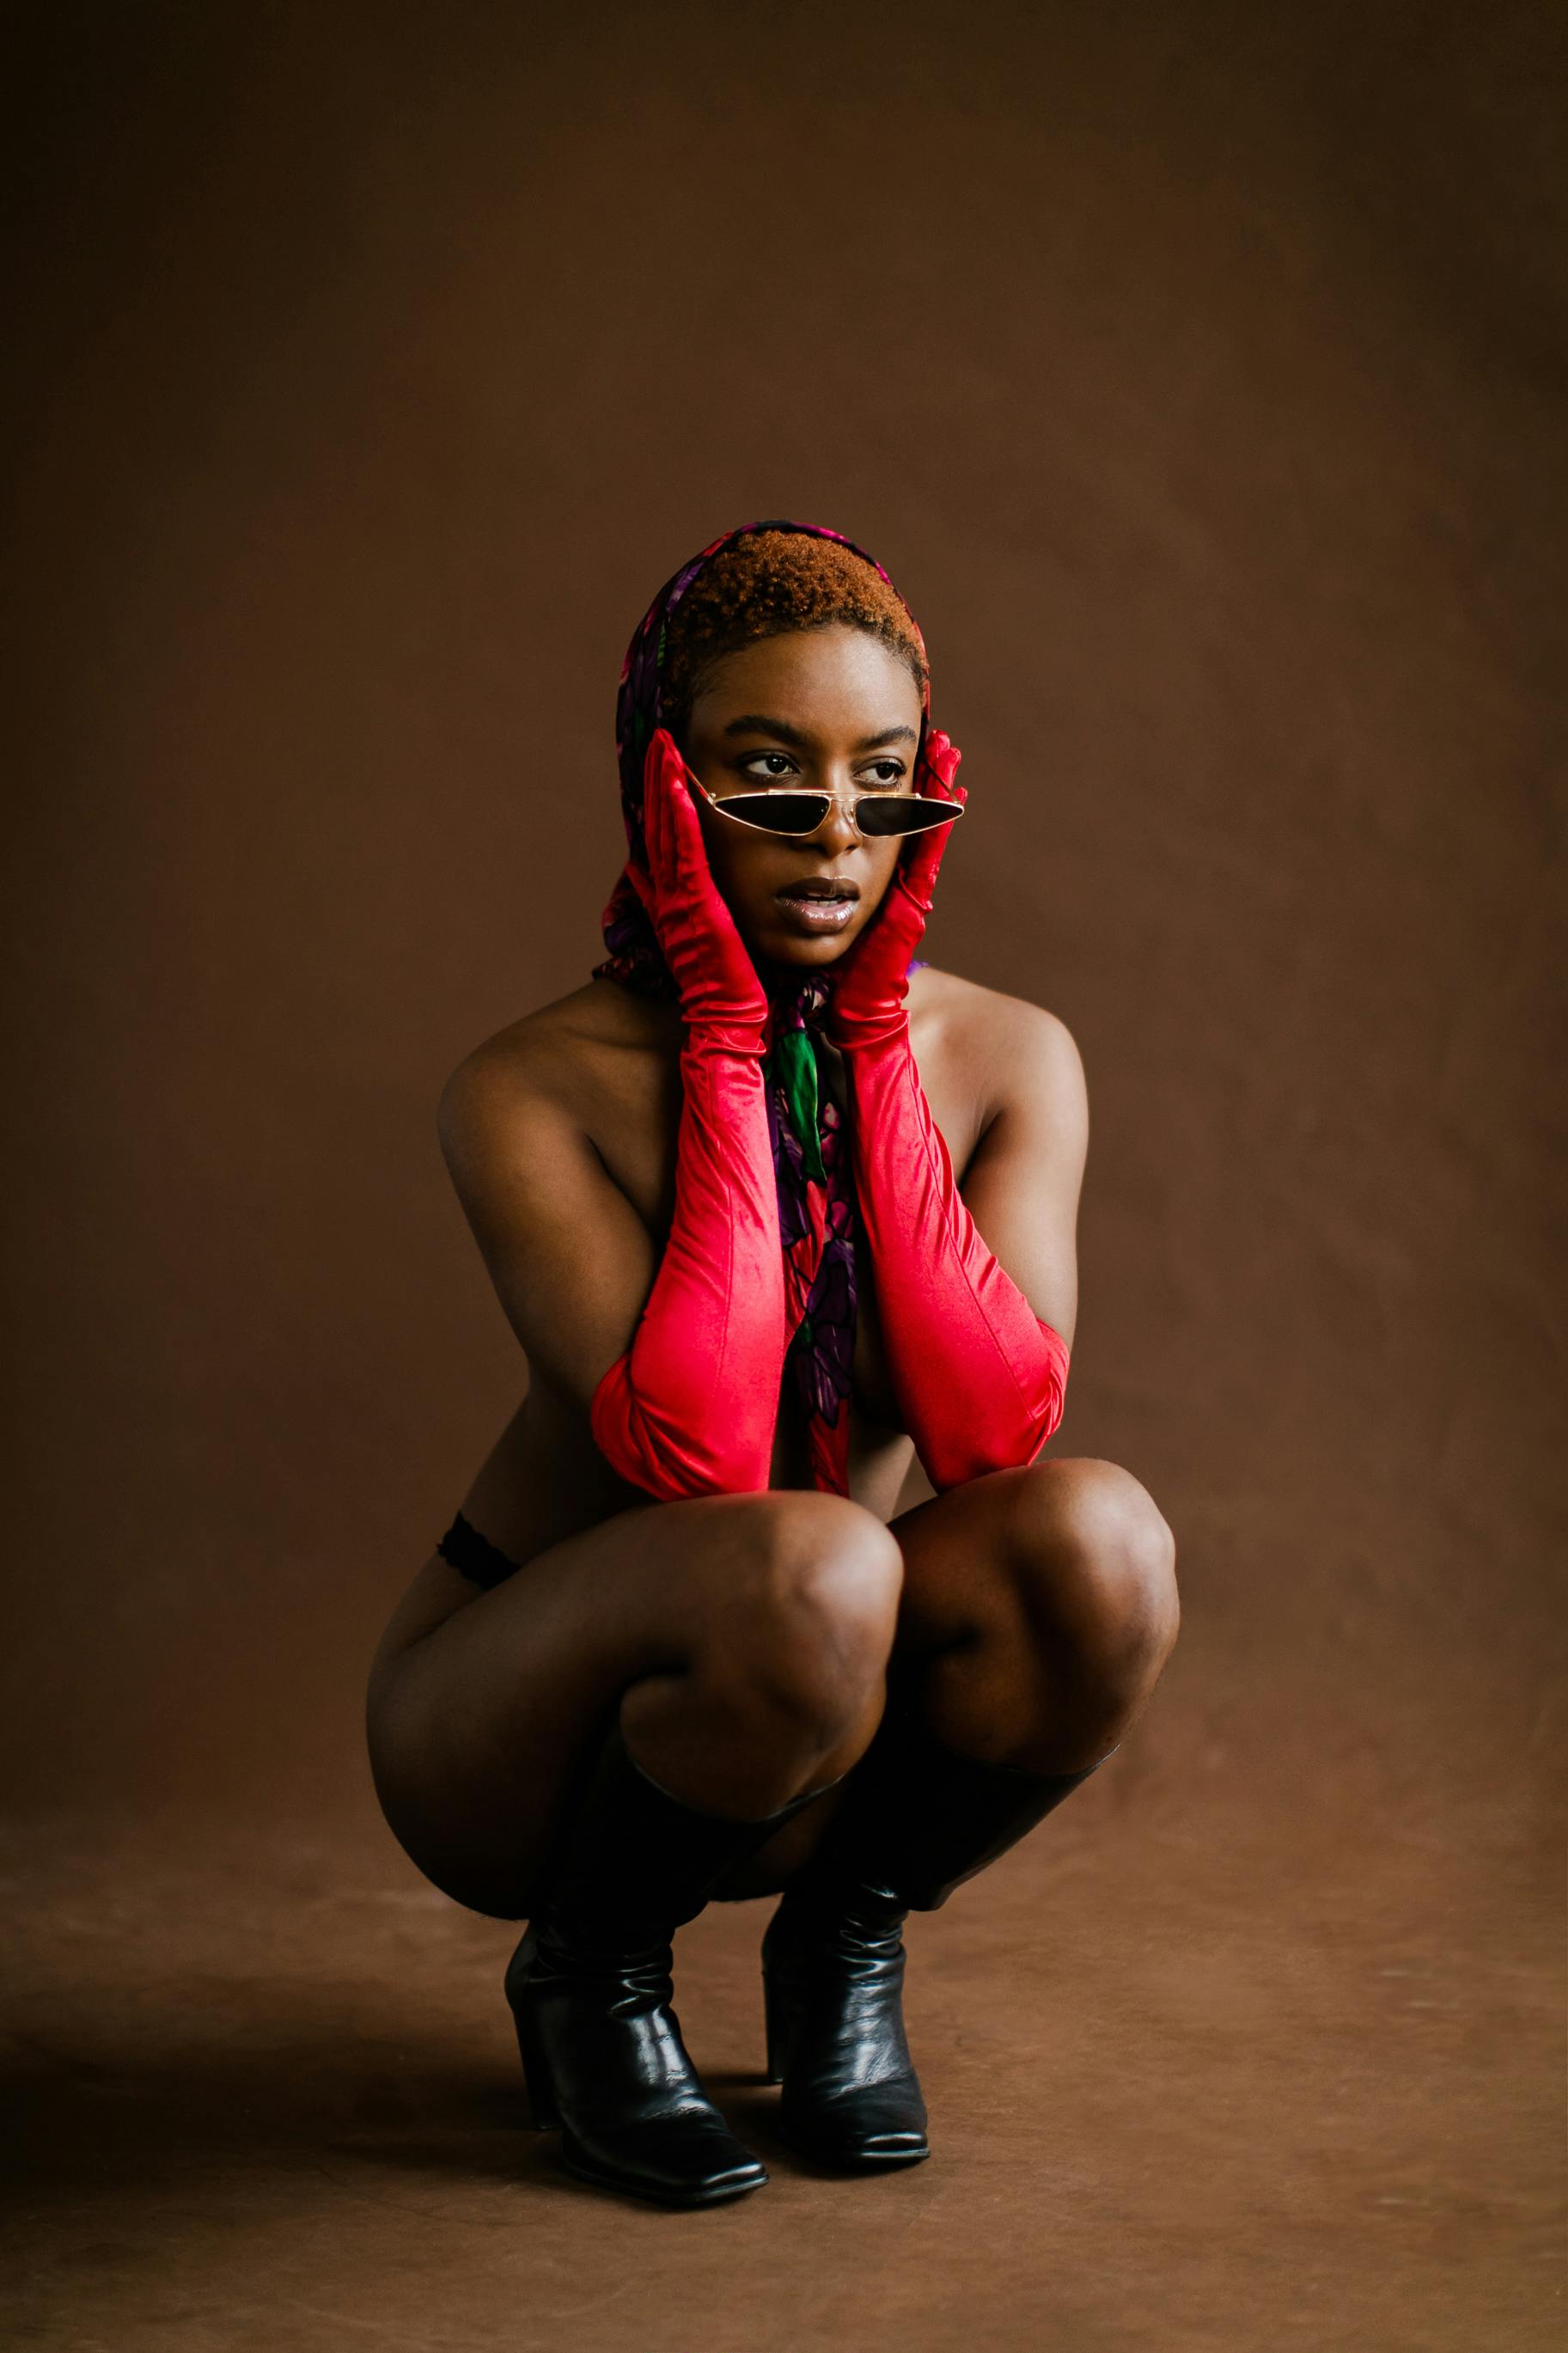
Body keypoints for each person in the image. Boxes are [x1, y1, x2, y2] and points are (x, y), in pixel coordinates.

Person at [364, 520, 1179, 2210]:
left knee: (1099, 1543)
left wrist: (871, 1043)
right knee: (807, 1559)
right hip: (522, 1738)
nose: (832, 833)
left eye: (879, 779)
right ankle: (587, 1971)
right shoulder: (530, 1086)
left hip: (828, 1717)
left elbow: (993, 1426)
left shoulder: (1009, 1054)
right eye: (762, 773)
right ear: (662, 788)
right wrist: (732, 1045)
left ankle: (845, 1937)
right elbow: (704, 1457)